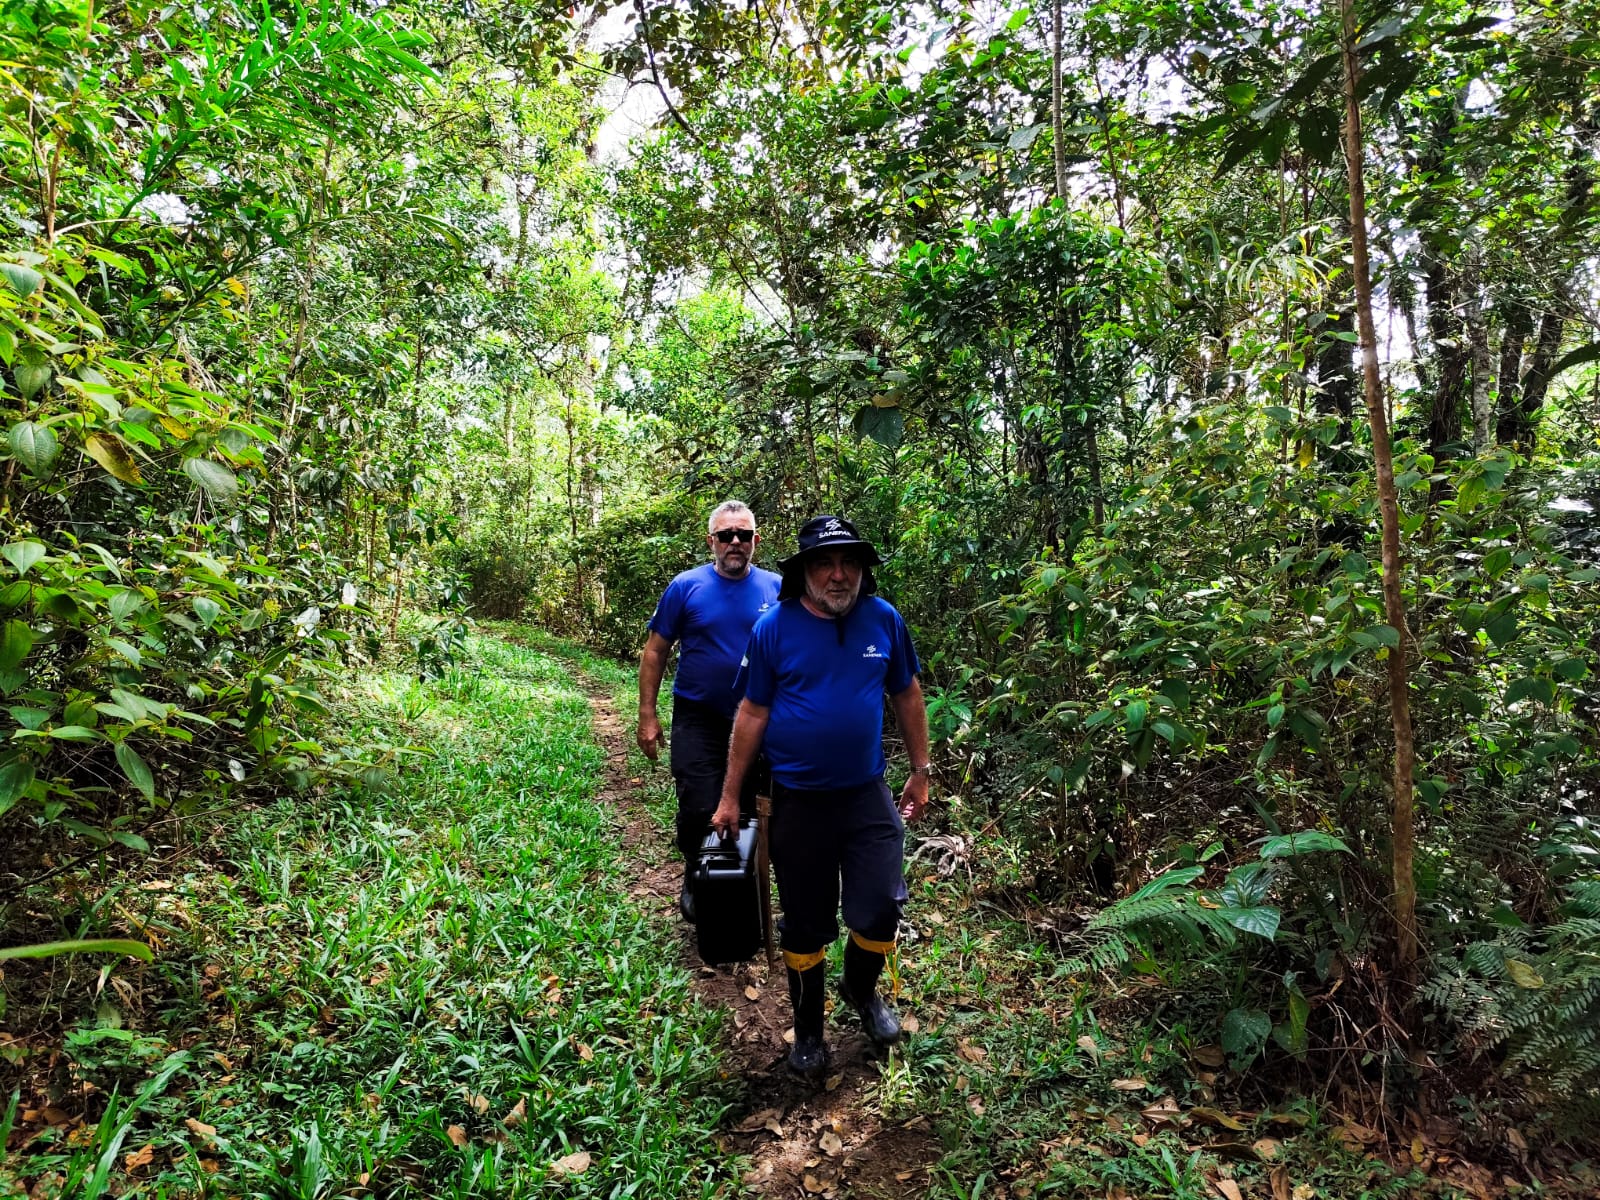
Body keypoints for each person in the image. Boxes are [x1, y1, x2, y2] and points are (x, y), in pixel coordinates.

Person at [713, 515, 930, 1075]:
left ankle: (862, 990)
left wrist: (921, 768)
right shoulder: (773, 628)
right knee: (806, 922)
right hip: (798, 800)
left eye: (849, 562)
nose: (839, 575)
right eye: (824, 563)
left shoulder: (884, 621)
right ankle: (808, 1030)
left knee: (881, 904)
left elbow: (906, 692)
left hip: (866, 795)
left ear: (862, 570)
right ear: (803, 572)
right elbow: (752, 712)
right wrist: (731, 796)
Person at [639, 501, 782, 922]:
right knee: (701, 807)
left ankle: (740, 891)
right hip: (699, 716)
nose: (734, 542)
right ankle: (695, 874)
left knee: (757, 811)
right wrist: (647, 716)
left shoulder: (779, 588)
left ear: (756, 540)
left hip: (760, 721)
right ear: (711, 542)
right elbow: (655, 652)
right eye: (725, 535)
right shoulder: (686, 587)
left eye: (743, 535)